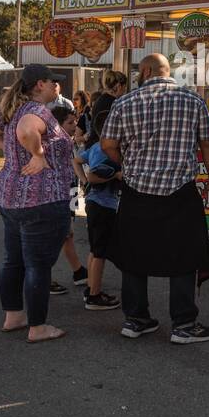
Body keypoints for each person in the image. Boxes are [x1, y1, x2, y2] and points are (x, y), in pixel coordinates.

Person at [101, 53, 209, 344]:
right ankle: (183, 324)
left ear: (145, 71)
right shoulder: (192, 100)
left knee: (133, 255)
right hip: (179, 190)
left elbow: (108, 144)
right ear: (167, 72)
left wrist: (127, 164)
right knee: (184, 255)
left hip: (136, 191)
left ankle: (136, 320)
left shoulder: (124, 102)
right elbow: (208, 143)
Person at [0, 64, 76, 344]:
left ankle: (14, 316)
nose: (56, 87)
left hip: (9, 196)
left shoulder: (10, 109)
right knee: (38, 265)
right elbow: (26, 130)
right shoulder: (36, 111)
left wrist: (15, 151)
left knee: (14, 260)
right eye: (52, 83)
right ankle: (38, 326)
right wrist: (37, 153)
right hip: (41, 198)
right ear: (39, 85)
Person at [78, 106, 122, 311]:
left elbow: (76, 160)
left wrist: (82, 180)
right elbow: (95, 176)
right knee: (100, 252)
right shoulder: (106, 150)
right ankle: (94, 296)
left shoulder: (95, 147)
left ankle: (91, 287)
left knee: (95, 249)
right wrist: (115, 176)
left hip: (95, 203)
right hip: (104, 204)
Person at [48, 104, 90, 297]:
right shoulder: (55, 143)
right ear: (57, 125)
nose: (75, 125)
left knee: (68, 233)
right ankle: (44, 276)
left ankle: (78, 271)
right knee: (58, 235)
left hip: (71, 191)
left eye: (75, 121)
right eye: (70, 122)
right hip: (59, 194)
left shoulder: (70, 142)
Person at [90, 70, 128, 135]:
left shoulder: (100, 99)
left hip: (94, 141)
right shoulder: (114, 103)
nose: (125, 91)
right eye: (124, 88)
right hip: (103, 142)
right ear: (119, 86)